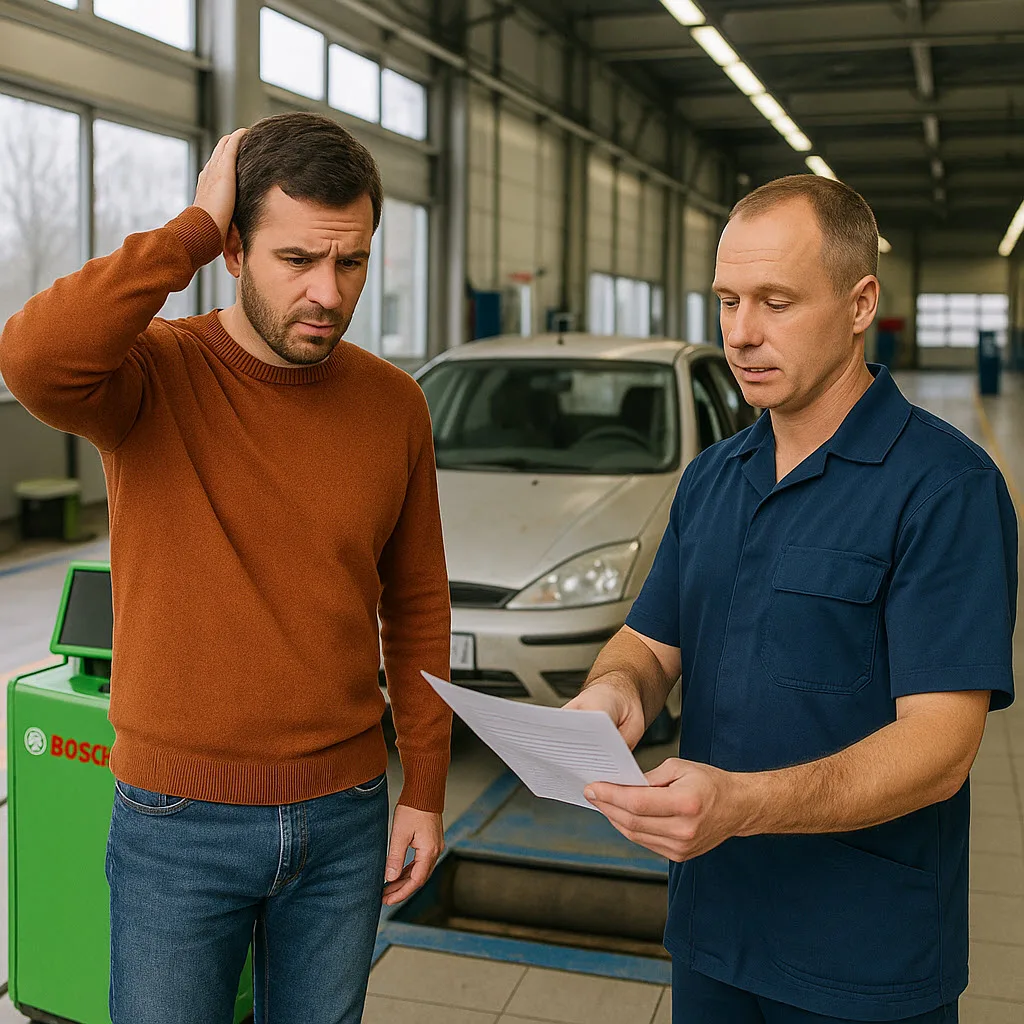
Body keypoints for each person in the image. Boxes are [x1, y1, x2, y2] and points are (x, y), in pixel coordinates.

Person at [0, 112, 453, 1024]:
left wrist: (427, 794)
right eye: (298, 260)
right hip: (176, 823)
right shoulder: (151, 378)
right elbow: (33, 357)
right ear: (238, 253)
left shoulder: (394, 404)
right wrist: (188, 231)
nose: (328, 292)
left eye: (351, 261)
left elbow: (415, 604)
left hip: (346, 815)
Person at [570, 175, 1017, 1023]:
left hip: (862, 957)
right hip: (713, 931)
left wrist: (742, 805)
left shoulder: (945, 489)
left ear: (860, 304)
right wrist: (612, 693)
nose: (742, 334)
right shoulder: (713, 478)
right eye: (728, 301)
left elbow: (942, 745)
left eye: (777, 302)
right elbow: (649, 643)